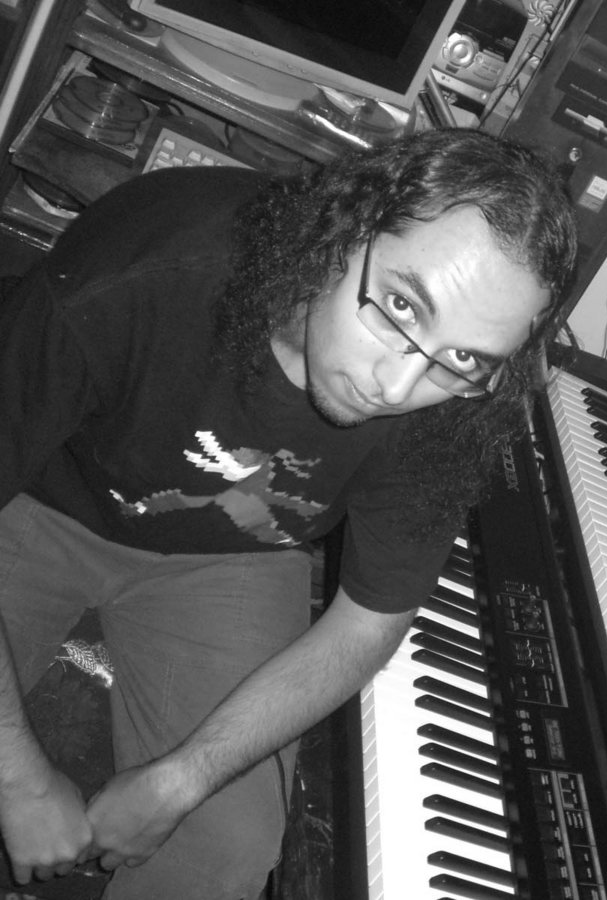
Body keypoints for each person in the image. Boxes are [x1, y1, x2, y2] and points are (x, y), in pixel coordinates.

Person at [0, 127, 577, 899]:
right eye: (400, 305)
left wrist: (181, 780)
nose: (397, 387)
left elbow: (369, 624)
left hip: (235, 553)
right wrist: (19, 780)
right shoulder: (150, 264)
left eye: (464, 358)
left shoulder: (451, 398)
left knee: (227, 851)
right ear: (346, 231)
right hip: (38, 497)